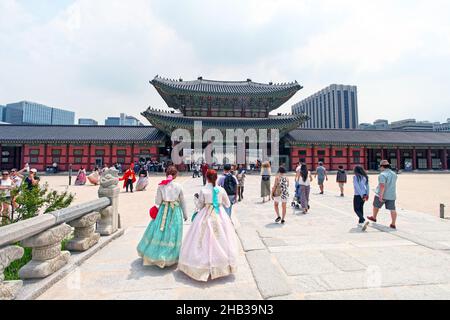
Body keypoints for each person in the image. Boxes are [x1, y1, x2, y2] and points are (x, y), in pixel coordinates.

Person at [178, 169, 238, 281]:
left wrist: (197, 200)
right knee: (221, 238)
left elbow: (200, 205)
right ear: (216, 178)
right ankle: (222, 264)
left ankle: (202, 265)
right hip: (219, 214)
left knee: (202, 238)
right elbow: (227, 203)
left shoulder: (204, 189)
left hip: (205, 214)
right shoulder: (221, 189)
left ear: (207, 177)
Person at [137, 166, 187, 268]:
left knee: (160, 231)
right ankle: (170, 256)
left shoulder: (161, 186)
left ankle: (157, 254)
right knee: (173, 232)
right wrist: (185, 214)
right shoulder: (179, 186)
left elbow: (157, 202)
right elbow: (183, 202)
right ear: (175, 175)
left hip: (163, 210)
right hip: (175, 211)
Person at [367, 160, 398, 229]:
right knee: (392, 209)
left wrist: (381, 196)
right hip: (392, 194)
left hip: (382, 194)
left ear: (382, 167)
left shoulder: (382, 174)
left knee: (376, 206)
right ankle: (393, 223)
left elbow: (382, 186)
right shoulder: (394, 174)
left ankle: (374, 217)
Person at [353, 166, 370, 230]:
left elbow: (357, 187)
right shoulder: (365, 177)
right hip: (365, 194)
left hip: (358, 195)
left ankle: (363, 219)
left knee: (356, 209)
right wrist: (367, 194)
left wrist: (361, 195)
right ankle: (361, 222)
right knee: (361, 208)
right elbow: (368, 187)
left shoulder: (355, 177)